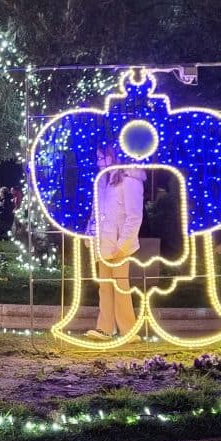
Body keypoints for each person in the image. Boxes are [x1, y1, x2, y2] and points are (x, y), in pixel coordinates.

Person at [87, 142, 145, 339]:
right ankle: (105, 328)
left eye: (102, 157)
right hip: (103, 243)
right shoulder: (104, 183)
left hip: (119, 246)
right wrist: (90, 235)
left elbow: (134, 217)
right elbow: (96, 212)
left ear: (114, 157)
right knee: (105, 287)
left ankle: (128, 330)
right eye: (98, 158)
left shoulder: (130, 181)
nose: (98, 162)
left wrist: (122, 246)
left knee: (121, 287)